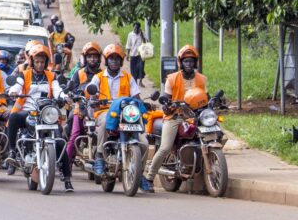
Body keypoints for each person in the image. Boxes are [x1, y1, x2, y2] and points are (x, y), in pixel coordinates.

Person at [7, 47, 74, 192]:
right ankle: (12, 151)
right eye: (37, 61)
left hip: (47, 113)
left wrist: (63, 97)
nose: (39, 64)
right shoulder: (24, 75)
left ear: (46, 62)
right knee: (13, 118)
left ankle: (67, 178)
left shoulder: (51, 76)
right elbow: (17, 86)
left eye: (42, 62)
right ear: (31, 61)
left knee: (59, 140)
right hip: (29, 111)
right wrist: (13, 92)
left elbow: (57, 90)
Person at [143, 45, 208, 193]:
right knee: (165, 147)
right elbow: (166, 97)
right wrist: (166, 104)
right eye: (186, 61)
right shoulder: (172, 79)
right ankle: (149, 178)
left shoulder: (201, 79)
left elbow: (205, 97)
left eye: (191, 61)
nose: (189, 64)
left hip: (195, 116)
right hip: (175, 116)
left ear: (196, 62)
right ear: (180, 62)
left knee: (214, 134)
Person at [88, 43, 142, 177]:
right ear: (106, 60)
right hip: (104, 111)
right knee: (105, 122)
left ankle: (139, 173)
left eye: (117, 59)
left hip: (126, 114)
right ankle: (100, 156)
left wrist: (143, 103)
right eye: (111, 58)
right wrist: (94, 100)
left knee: (144, 142)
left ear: (121, 61)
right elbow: (92, 94)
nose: (114, 61)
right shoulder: (98, 77)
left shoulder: (128, 77)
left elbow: (136, 97)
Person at [65, 42, 104, 162]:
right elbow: (71, 88)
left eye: (95, 56)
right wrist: (74, 94)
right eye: (89, 56)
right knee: (75, 135)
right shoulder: (79, 73)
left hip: (98, 108)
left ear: (99, 58)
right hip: (81, 108)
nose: (92, 59)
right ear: (85, 58)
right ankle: (66, 164)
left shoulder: (103, 74)